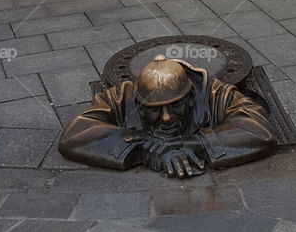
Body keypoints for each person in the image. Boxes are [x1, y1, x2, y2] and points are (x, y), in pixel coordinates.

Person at [57, 54, 277, 176]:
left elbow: (260, 129)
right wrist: (142, 148)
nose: (166, 118)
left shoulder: (214, 93)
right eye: (154, 109)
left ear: (190, 98)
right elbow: (74, 133)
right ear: (139, 106)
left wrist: (198, 142)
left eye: (175, 106)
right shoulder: (125, 96)